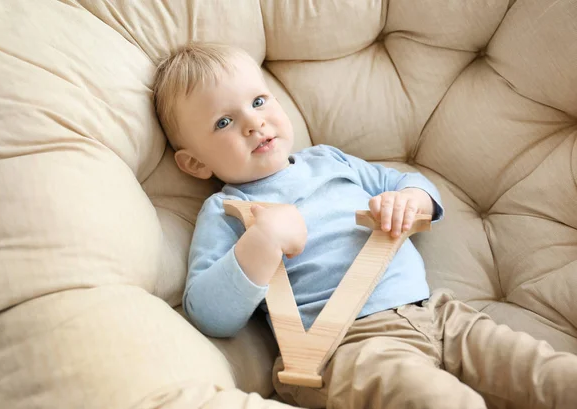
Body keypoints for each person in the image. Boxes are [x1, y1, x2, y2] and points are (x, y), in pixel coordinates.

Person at [153, 42, 577, 409]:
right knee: (440, 401)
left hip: (438, 314)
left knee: (549, 374)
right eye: (223, 122)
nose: (253, 122)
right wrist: (261, 242)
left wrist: (411, 199)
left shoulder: (330, 160)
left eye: (259, 101)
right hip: (349, 346)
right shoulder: (226, 209)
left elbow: (408, 182)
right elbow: (208, 313)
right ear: (195, 163)